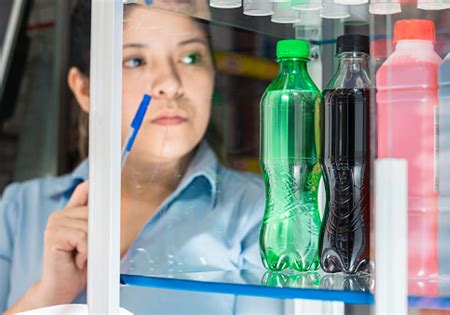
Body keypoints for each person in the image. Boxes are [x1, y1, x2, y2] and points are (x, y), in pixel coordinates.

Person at [0, 2, 282, 314]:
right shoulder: (19, 209)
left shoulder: (263, 214)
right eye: (135, 60)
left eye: (191, 57)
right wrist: (51, 292)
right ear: (84, 89)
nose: (171, 85)